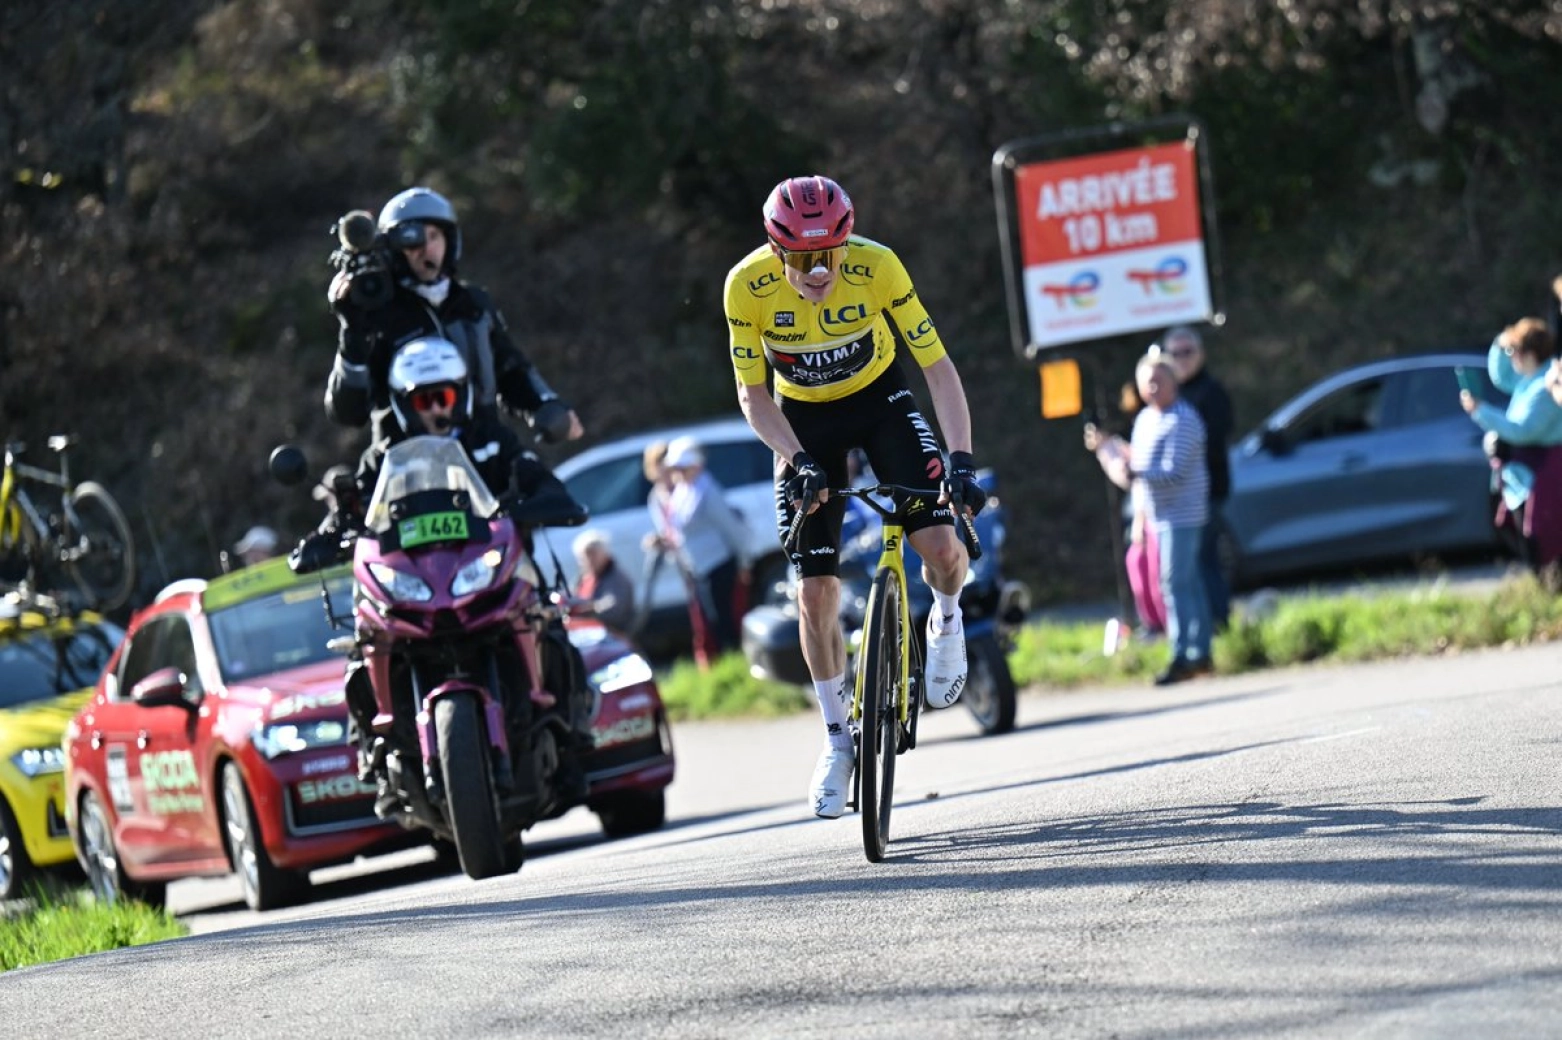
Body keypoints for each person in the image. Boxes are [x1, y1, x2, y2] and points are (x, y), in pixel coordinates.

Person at [723, 174, 986, 818]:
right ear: (776, 251)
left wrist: (961, 460)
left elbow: (937, 368)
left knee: (943, 548)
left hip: (879, 402)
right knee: (815, 589)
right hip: (804, 422)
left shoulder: (878, 266)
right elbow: (753, 396)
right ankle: (838, 739)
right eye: (802, 259)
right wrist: (798, 461)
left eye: (830, 255)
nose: (818, 272)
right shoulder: (744, 287)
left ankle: (946, 620)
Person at [310, 337, 589, 811]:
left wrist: (546, 498)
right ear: (402, 403)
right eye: (424, 399)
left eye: (447, 396)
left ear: (463, 393)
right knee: (362, 650)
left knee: (554, 632)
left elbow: (538, 476)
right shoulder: (383, 457)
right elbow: (352, 509)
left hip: (489, 574)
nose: (438, 408)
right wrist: (327, 532)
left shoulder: (493, 439)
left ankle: (573, 745)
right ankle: (377, 758)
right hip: (413, 583)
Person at [324, 185, 586, 455]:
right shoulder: (379, 317)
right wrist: (352, 330)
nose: (426, 249)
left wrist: (546, 404)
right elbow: (348, 412)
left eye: (435, 236)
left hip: (483, 456)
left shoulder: (473, 305)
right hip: (404, 466)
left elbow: (510, 369)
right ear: (393, 249)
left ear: (451, 241)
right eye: (412, 241)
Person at [1100, 355, 1211, 686]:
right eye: (1146, 381)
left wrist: (1134, 472)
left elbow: (1173, 472)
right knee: (1185, 583)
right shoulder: (1147, 418)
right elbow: (1141, 462)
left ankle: (1187, 653)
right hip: (1158, 514)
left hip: (1183, 514)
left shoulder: (1184, 419)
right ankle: (1197, 652)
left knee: (1176, 584)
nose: (1151, 387)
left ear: (1174, 382)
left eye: (1158, 380)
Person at [1150, 326, 1232, 630]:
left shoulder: (1211, 393)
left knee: (1202, 562)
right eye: (1175, 353)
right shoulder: (1170, 398)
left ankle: (1216, 626)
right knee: (1189, 568)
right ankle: (1206, 629)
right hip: (1177, 498)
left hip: (1205, 493)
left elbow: (1206, 449)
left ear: (1201, 354)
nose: (1182, 359)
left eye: (1188, 352)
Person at [1464, 318, 1562, 563]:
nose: (1509, 357)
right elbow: (1500, 375)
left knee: (1544, 548)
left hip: (1543, 479)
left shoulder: (1546, 385)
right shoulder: (1527, 380)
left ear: (1528, 353)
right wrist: (1503, 341)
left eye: (1512, 351)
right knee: (1529, 547)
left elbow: (1522, 430)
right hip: (1523, 480)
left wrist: (1480, 411)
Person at [659, 436, 754, 667]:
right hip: (699, 567)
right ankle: (728, 663)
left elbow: (732, 529)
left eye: (683, 467)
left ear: (696, 465)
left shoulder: (707, 491)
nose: (679, 472)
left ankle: (737, 663)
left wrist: (744, 562)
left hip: (719, 563)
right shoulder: (683, 490)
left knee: (725, 618)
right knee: (712, 620)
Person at [572, 528, 636, 636]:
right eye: (585, 556)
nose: (589, 559)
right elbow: (573, 598)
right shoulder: (584, 578)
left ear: (604, 554)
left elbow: (614, 609)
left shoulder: (616, 578)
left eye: (593, 554)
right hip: (583, 631)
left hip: (610, 634)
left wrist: (589, 609)